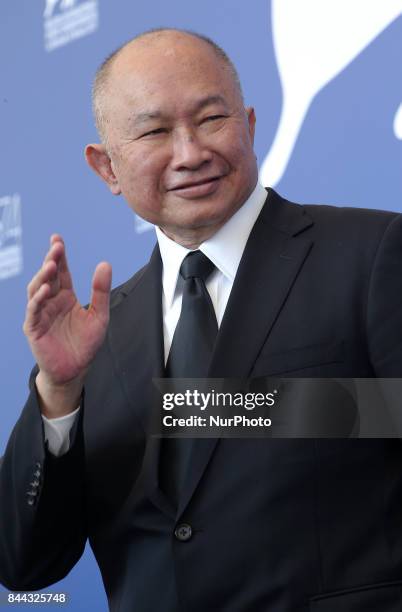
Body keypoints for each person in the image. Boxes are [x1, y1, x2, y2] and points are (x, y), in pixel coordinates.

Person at [1, 28, 402, 612]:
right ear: (106, 168)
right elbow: (25, 564)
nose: (190, 153)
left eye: (212, 119)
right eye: (155, 131)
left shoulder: (373, 254)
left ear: (250, 126)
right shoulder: (95, 336)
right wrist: (59, 393)